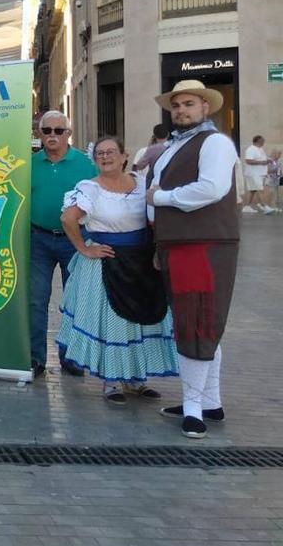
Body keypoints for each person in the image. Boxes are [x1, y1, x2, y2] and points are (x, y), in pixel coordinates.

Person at [147, 80, 240, 439]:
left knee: (197, 322)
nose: (181, 111)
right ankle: (209, 402)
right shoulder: (174, 146)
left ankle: (193, 409)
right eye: (176, 106)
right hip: (178, 244)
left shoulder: (215, 142)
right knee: (198, 320)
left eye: (188, 104)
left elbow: (212, 188)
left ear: (206, 107)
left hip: (202, 243)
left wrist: (162, 198)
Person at [56, 137, 178, 403]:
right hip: (107, 260)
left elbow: (157, 217)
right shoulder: (90, 188)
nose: (105, 156)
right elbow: (68, 218)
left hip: (142, 261)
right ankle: (112, 381)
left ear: (125, 156)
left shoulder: (142, 183)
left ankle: (135, 379)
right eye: (100, 153)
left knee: (139, 320)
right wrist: (84, 248)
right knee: (115, 321)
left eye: (111, 152)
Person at [28, 110, 96, 378]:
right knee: (36, 300)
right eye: (47, 131)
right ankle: (36, 357)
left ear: (68, 133)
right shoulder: (29, 164)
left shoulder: (85, 165)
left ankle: (71, 356)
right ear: (39, 134)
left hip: (74, 240)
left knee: (73, 300)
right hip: (38, 239)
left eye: (59, 131)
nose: (53, 136)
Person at [242, 135, 275, 214]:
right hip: (253, 173)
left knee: (253, 190)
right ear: (258, 141)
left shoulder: (261, 149)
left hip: (260, 173)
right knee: (259, 189)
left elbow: (262, 159)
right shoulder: (251, 149)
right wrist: (262, 162)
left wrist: (268, 161)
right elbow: (248, 161)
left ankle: (247, 207)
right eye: (263, 141)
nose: (264, 142)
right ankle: (265, 207)